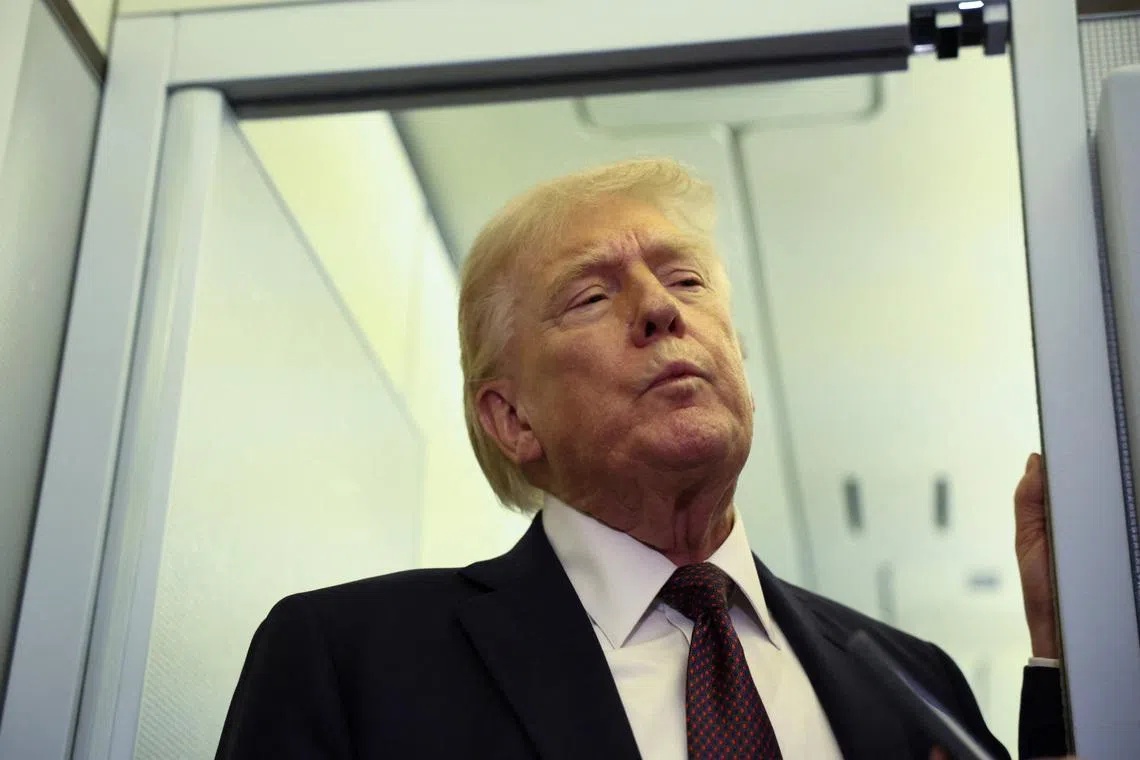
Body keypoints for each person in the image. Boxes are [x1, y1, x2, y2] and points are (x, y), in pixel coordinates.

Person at [215, 159, 1067, 759]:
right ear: (511, 418)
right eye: (592, 294)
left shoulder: (907, 678)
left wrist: (1075, 656)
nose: (661, 308)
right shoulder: (352, 660)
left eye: (687, 282)